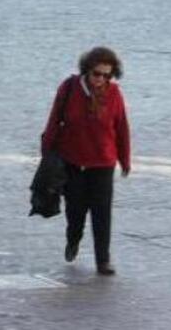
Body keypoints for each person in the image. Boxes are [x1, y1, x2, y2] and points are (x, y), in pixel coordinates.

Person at [40, 47, 131, 276]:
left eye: (106, 75)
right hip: (73, 161)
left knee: (102, 213)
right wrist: (46, 156)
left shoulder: (115, 94)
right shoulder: (69, 88)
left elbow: (121, 128)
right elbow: (53, 121)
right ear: (87, 71)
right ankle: (73, 239)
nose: (101, 79)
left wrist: (125, 159)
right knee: (76, 210)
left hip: (103, 163)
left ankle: (103, 260)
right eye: (97, 74)